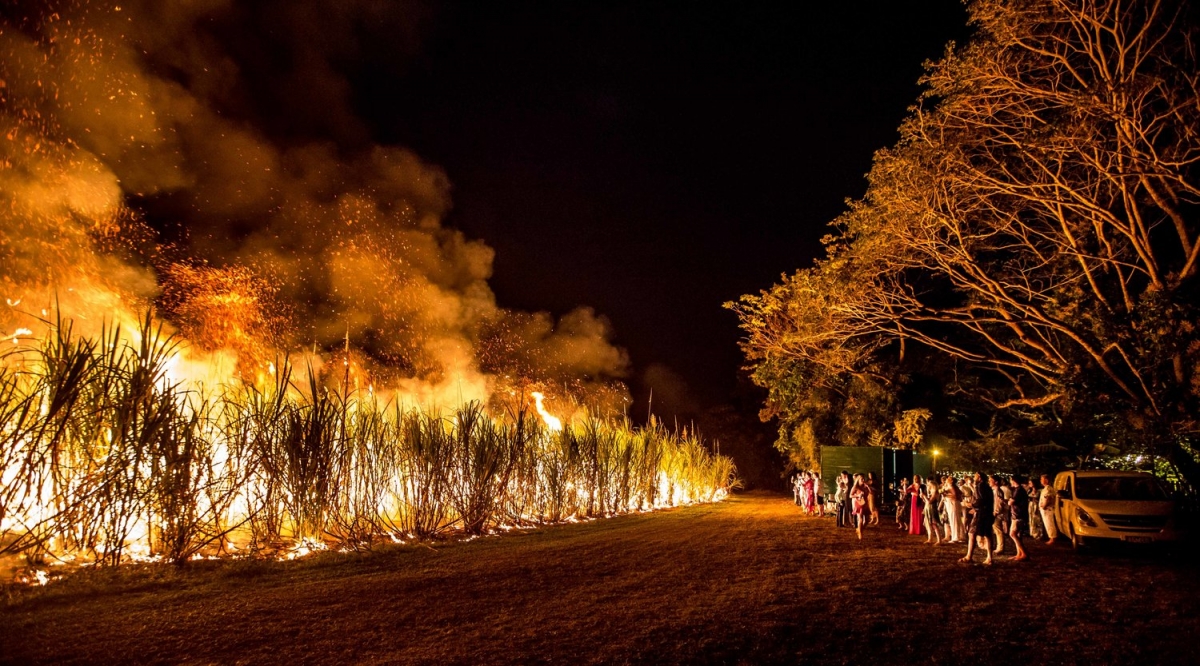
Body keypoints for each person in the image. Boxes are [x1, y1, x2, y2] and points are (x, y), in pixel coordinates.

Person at [960, 471, 995, 565]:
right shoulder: (987, 487)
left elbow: (980, 500)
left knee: (972, 533)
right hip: (986, 513)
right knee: (987, 534)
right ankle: (989, 557)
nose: (974, 477)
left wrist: (970, 505)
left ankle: (969, 556)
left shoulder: (980, 487)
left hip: (981, 515)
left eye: (975, 475)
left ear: (979, 477)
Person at [1008, 476, 1030, 561]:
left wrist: (1010, 501)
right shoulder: (1018, 490)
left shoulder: (1019, 490)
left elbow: (1011, 502)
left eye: (1011, 480)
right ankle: (1019, 553)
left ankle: (1024, 553)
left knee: (1013, 533)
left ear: (1013, 480)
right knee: (1017, 535)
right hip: (1017, 514)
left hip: (1018, 515)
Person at [1039, 474, 1059, 541]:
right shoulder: (1046, 488)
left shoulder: (1048, 489)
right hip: (1046, 509)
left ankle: (1052, 538)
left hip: (1048, 510)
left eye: (1042, 479)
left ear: (1046, 480)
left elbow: (1048, 498)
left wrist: (1044, 506)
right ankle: (1051, 537)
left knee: (1049, 523)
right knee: (1047, 523)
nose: (1040, 481)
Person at [943, 476, 963, 544]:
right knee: (955, 520)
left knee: (954, 520)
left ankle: (955, 537)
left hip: (952, 504)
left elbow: (954, 495)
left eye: (948, 479)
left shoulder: (951, 486)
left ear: (951, 481)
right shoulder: (951, 486)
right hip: (951, 504)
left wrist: (945, 495)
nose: (947, 480)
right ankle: (959, 536)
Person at [850, 473, 870, 539]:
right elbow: (850, 495)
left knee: (867, 520)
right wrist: (857, 495)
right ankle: (860, 534)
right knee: (860, 518)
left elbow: (871, 493)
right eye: (862, 479)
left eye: (864, 479)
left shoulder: (865, 487)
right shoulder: (855, 487)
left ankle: (860, 529)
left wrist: (868, 487)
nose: (863, 480)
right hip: (858, 503)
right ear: (858, 480)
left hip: (865, 503)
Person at [924, 477, 942, 545]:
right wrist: (923, 497)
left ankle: (939, 540)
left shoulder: (935, 493)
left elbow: (929, 501)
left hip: (932, 508)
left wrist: (924, 496)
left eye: (929, 486)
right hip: (928, 508)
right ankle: (930, 538)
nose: (928, 487)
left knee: (934, 524)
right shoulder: (931, 493)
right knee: (929, 524)